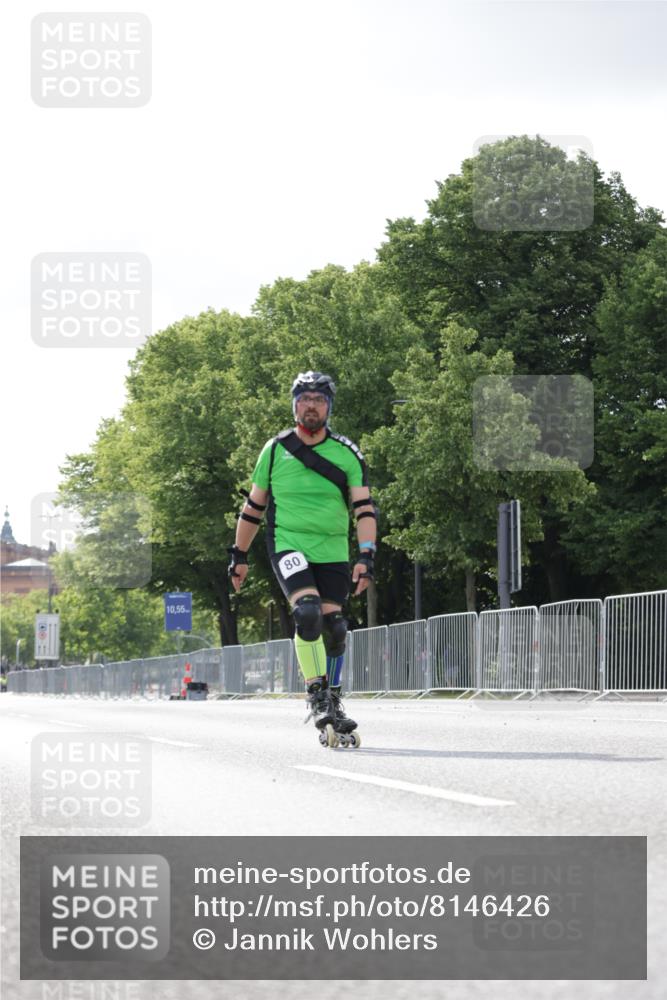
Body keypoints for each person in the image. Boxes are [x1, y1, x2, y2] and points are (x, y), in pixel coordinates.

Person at [227, 371, 377, 742]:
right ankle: (317, 697)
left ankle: (334, 698)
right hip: (289, 545)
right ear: (295, 405)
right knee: (307, 613)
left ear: (329, 407)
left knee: (335, 628)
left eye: (319, 399)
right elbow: (253, 507)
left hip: (332, 550)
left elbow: (364, 509)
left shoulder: (346, 453)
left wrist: (366, 556)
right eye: (305, 399)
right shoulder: (275, 449)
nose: (312, 405)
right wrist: (239, 555)